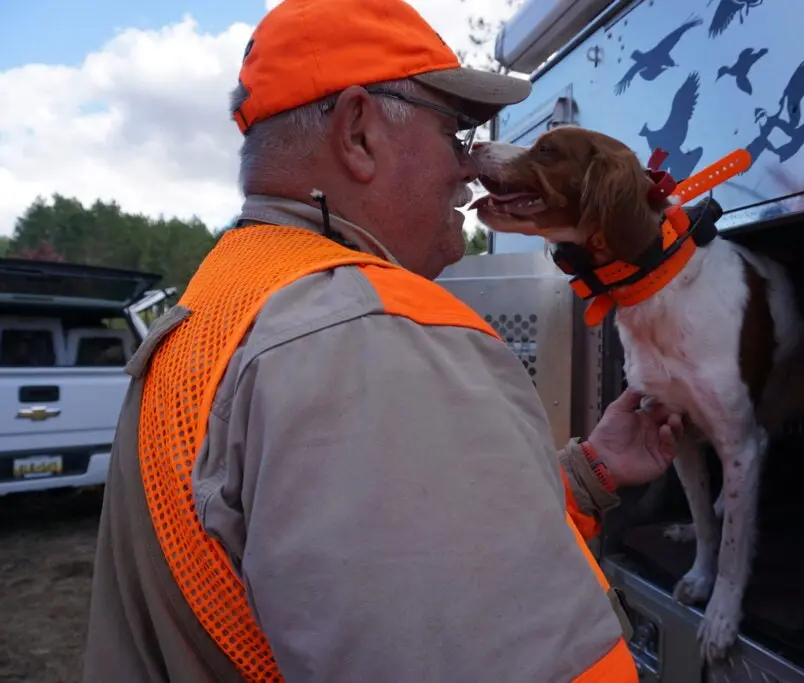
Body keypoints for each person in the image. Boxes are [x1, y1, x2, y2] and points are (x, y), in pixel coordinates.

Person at [82, 0, 686, 681]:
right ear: (360, 133)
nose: (468, 168)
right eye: (455, 134)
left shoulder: (226, 297)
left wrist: (584, 475)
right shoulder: (369, 337)